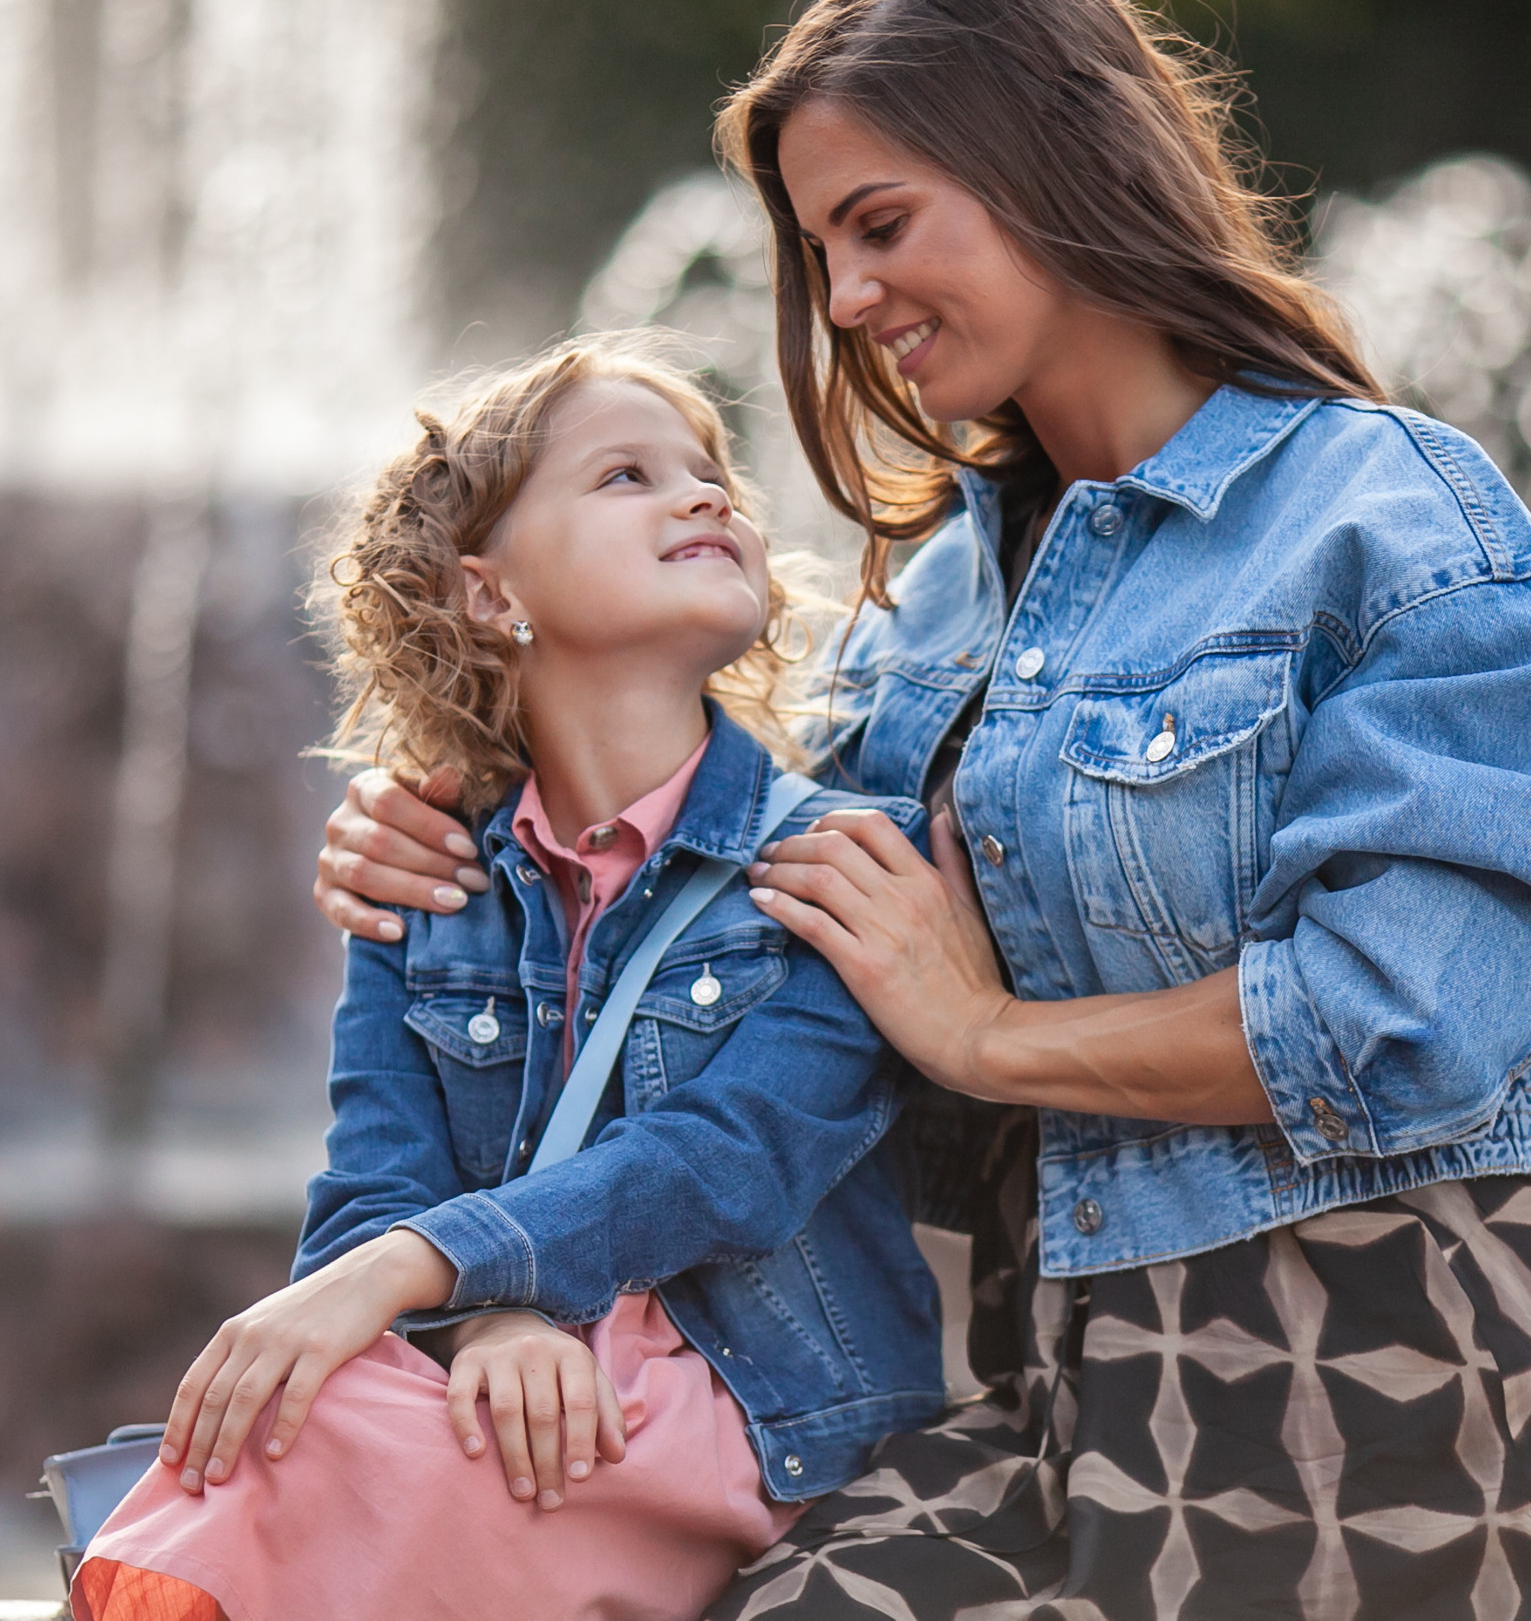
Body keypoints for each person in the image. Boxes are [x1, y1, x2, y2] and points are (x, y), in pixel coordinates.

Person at [315, 0, 1531, 1617]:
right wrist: (463, 821)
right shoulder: (938, 598)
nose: (845, 300)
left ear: (1053, 164)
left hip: (1399, 1381)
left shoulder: (1381, 510)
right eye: (821, 252)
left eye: (881, 226)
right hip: (1057, 1386)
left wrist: (988, 1033)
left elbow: (1411, 1009)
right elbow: (735, 936)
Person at [71, 341, 945, 1621]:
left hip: (754, 1408)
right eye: (627, 475)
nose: (705, 493)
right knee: (298, 1429)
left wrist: (418, 1268)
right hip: (504, 1381)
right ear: (490, 593)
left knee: (316, 1444)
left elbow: (731, 1156)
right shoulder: (426, 884)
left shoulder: (845, 857)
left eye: (711, 472)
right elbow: (374, 1183)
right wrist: (489, 1319)